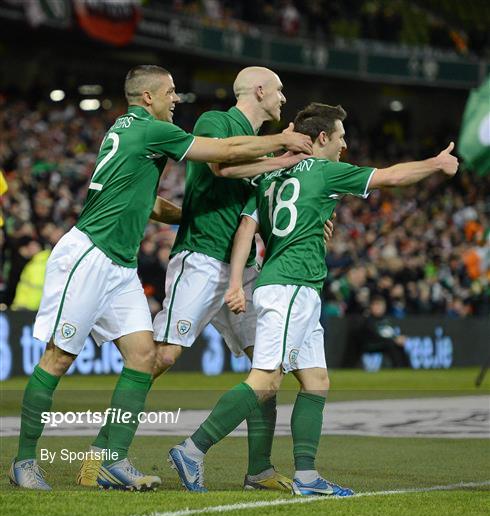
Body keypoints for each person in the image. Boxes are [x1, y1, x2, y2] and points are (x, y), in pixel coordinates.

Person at [8, 64, 313, 492]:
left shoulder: (133, 132)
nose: (176, 99)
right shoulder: (151, 130)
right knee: (58, 358)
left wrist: (192, 215)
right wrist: (282, 143)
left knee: (143, 357)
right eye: (170, 92)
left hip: (120, 265)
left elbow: (150, 204)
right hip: (90, 254)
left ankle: (111, 459)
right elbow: (222, 155)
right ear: (148, 97)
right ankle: (24, 462)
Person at [167, 102, 458, 495]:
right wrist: (435, 164)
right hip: (291, 286)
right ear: (322, 138)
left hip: (292, 286)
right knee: (266, 380)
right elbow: (390, 176)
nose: (344, 144)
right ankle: (192, 448)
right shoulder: (324, 171)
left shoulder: (272, 175)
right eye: (340, 137)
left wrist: (238, 280)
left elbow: (245, 229)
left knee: (316, 381)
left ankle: (306, 477)